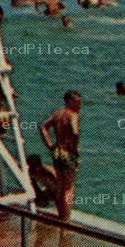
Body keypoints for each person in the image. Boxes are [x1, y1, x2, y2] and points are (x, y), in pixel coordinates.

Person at [39, 90, 82, 224]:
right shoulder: (72, 115)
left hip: (57, 151)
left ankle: (60, 214)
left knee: (60, 185)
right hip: (68, 152)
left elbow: (43, 127)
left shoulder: (57, 114)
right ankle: (66, 218)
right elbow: (74, 132)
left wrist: (50, 145)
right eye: (78, 103)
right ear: (70, 101)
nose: (80, 106)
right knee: (69, 187)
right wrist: (74, 147)